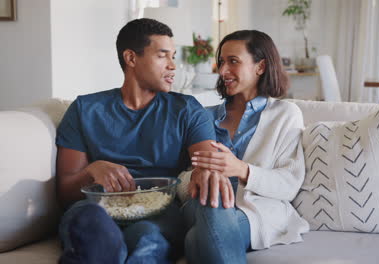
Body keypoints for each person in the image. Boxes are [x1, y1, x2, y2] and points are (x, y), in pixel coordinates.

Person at [55, 18, 234, 264]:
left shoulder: (187, 110)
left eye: (173, 56)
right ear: (131, 58)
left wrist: (205, 172)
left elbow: (206, 165)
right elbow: (65, 194)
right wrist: (92, 171)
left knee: (147, 239)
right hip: (96, 209)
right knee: (90, 224)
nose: (173, 66)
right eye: (163, 56)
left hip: (158, 212)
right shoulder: (85, 109)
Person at [179, 30, 309, 264]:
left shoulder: (285, 115)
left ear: (260, 67)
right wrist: (198, 176)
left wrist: (242, 170)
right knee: (211, 197)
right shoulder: (204, 117)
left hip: (253, 214)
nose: (222, 71)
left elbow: (289, 184)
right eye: (221, 62)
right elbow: (182, 177)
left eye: (233, 62)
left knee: (194, 240)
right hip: (199, 207)